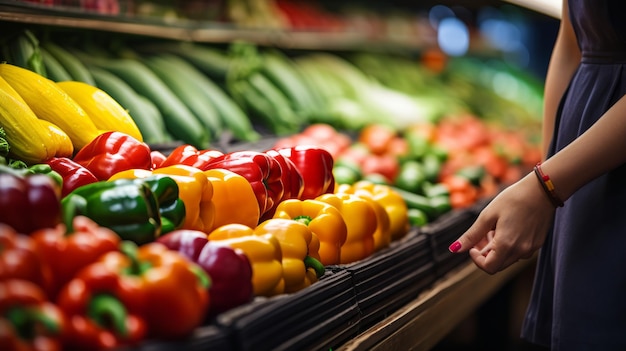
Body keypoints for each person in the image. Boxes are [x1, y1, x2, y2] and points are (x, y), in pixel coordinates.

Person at [448, 0, 626, 349]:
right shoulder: (555, 183)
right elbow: (570, 42)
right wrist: (548, 179)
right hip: (578, 177)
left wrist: (547, 187)